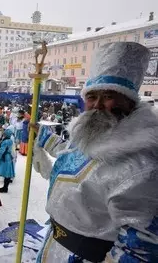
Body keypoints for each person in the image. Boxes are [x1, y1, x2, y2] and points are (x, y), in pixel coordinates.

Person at [32, 42, 158, 262]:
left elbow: (141, 250)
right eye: (92, 97)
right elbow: (72, 154)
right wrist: (43, 136)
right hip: (53, 248)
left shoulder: (141, 167)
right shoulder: (97, 134)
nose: (97, 105)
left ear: (129, 101)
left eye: (109, 96)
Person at [0, 129, 16, 193]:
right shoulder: (10, 140)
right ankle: (5, 187)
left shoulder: (5, 141)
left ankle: (5, 188)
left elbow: (2, 150)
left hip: (5, 158)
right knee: (8, 173)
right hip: (9, 157)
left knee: (6, 173)